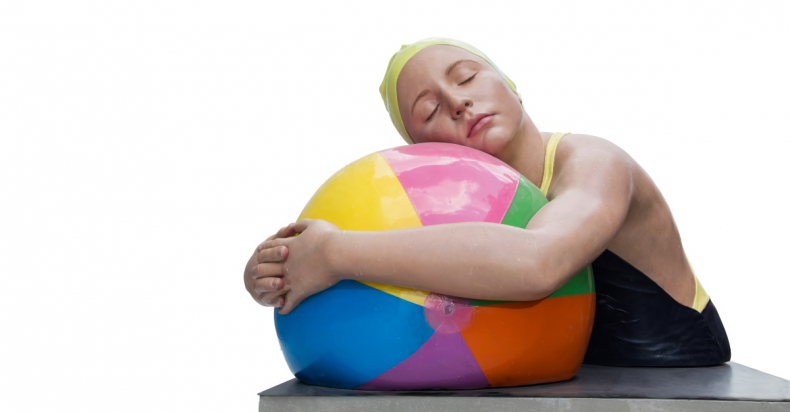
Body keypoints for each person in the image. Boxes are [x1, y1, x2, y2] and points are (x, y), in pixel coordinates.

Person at [244, 38, 730, 366]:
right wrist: (278, 270)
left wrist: (335, 253)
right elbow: (370, 264)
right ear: (426, 151)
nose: (457, 102)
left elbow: (537, 263)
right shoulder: (456, 209)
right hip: (557, 373)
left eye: (466, 77)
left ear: (511, 85)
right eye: (430, 110)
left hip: (675, 367)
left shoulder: (596, 163)